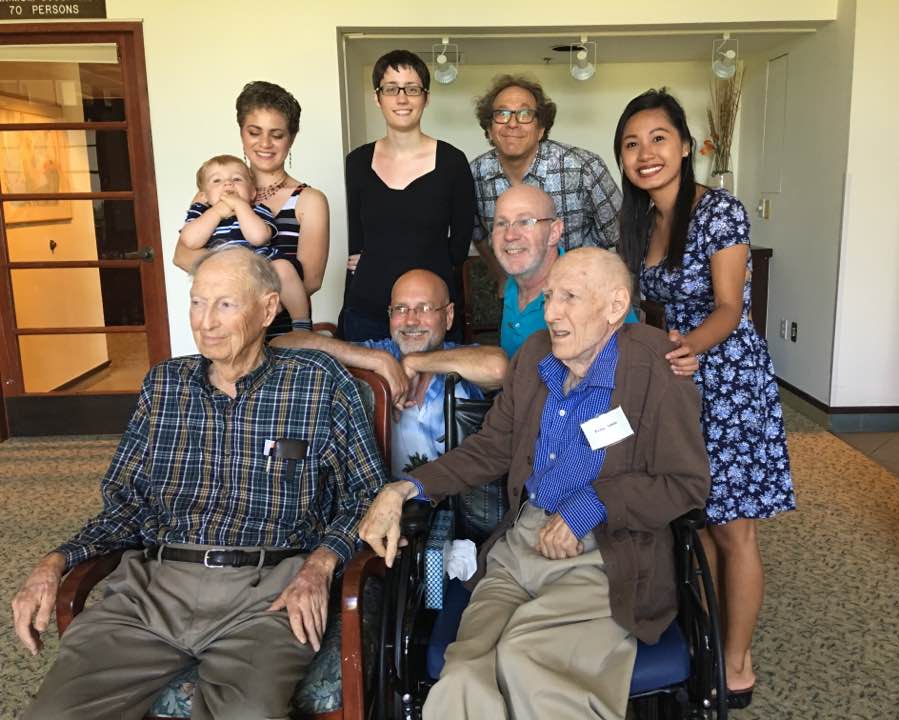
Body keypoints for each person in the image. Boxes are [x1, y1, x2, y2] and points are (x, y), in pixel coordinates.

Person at [11, 247, 386, 720]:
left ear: (268, 309)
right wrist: (56, 560)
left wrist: (320, 564)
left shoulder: (317, 383)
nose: (205, 322)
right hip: (154, 590)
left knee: (248, 713)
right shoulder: (164, 385)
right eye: (197, 302)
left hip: (267, 594)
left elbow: (367, 494)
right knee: (55, 712)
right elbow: (126, 504)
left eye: (225, 304)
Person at [359, 248, 712, 720]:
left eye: (569, 298)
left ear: (614, 306)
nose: (551, 313)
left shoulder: (656, 368)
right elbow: (491, 449)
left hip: (605, 557)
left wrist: (591, 504)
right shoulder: (535, 357)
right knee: (463, 677)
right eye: (548, 298)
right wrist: (403, 489)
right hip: (519, 551)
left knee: (527, 662)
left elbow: (686, 483)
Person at [614, 88, 796, 709]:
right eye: (632, 144)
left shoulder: (719, 211)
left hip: (728, 380)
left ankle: (737, 661)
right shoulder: (642, 221)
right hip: (678, 380)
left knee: (734, 528)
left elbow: (729, 306)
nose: (646, 154)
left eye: (658, 139)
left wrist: (687, 346)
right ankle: (711, 637)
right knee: (698, 521)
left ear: (686, 146)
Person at [275, 268, 508, 475]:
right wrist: (378, 360)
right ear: (389, 315)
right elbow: (281, 345)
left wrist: (416, 362)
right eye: (400, 309)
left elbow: (499, 368)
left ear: (448, 316)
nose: (411, 320)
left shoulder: (462, 357)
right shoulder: (378, 353)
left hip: (457, 503)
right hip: (384, 500)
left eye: (424, 308)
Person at [174, 80, 330, 340]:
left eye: (277, 135)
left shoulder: (309, 200)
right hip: (226, 329)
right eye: (254, 132)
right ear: (242, 133)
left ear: (291, 138)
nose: (265, 143)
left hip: (284, 333)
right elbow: (182, 255)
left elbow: (311, 280)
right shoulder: (211, 194)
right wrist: (238, 310)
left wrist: (256, 316)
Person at [341, 50, 475, 342]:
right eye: (391, 89)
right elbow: (356, 243)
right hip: (367, 309)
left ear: (426, 98)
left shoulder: (452, 162)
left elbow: (459, 247)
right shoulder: (357, 162)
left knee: (434, 375)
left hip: (430, 312)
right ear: (378, 98)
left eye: (412, 89)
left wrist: (409, 259)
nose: (401, 98)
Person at [470, 74, 622, 293]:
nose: (512, 123)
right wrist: (501, 277)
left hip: (583, 292)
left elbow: (620, 233)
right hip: (519, 293)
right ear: (489, 129)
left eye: (525, 114)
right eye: (502, 114)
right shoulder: (474, 175)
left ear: (541, 129)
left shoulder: (583, 167)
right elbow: (478, 234)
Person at [490, 184, 645, 360]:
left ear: (554, 232)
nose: (510, 235)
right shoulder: (512, 284)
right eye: (501, 223)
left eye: (525, 222)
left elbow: (634, 361)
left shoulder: (592, 281)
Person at [179, 154, 312, 332]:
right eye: (217, 180)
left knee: (284, 268)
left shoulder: (257, 211)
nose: (228, 184)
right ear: (204, 196)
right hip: (225, 279)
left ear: (252, 193)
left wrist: (240, 206)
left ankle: (301, 324)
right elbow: (190, 240)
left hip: (262, 269)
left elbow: (259, 237)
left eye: (237, 179)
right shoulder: (200, 213)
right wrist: (217, 212)